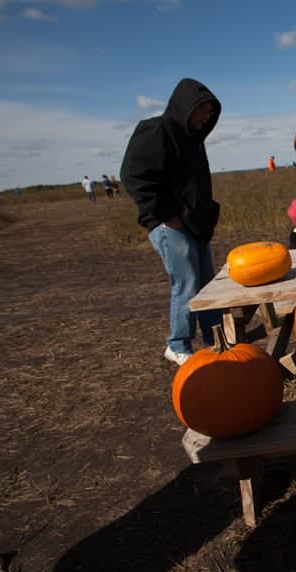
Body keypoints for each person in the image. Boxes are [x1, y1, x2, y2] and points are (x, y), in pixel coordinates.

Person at [120, 77, 223, 366]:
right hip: (171, 225)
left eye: (209, 111)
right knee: (187, 283)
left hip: (195, 225)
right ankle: (177, 344)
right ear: (184, 106)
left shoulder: (193, 140)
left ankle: (217, 340)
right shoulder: (156, 132)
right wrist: (167, 214)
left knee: (207, 286)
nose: (206, 117)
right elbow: (133, 176)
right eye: (201, 110)